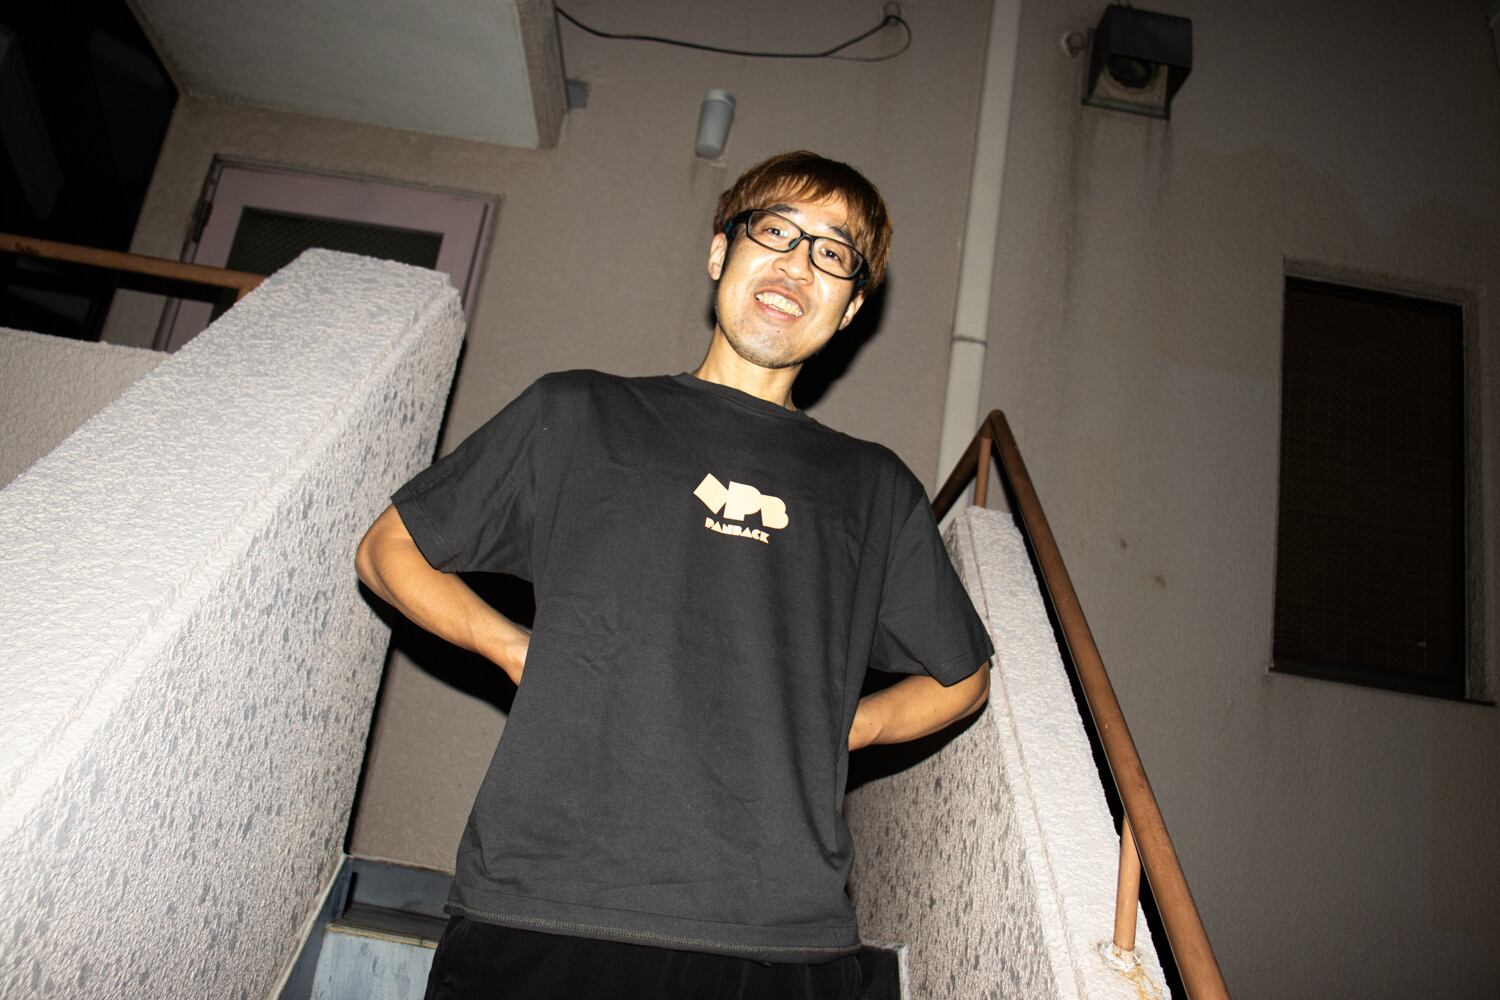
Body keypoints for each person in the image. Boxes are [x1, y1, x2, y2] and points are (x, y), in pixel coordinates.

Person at [355, 150, 994, 1000]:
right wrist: (515, 649)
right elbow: (388, 550)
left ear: (850, 308)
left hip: (777, 942)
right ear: (721, 250)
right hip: (546, 904)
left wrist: (847, 726)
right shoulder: (579, 411)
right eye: (776, 231)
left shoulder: (873, 488)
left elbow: (963, 676)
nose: (797, 265)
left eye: (832, 253)